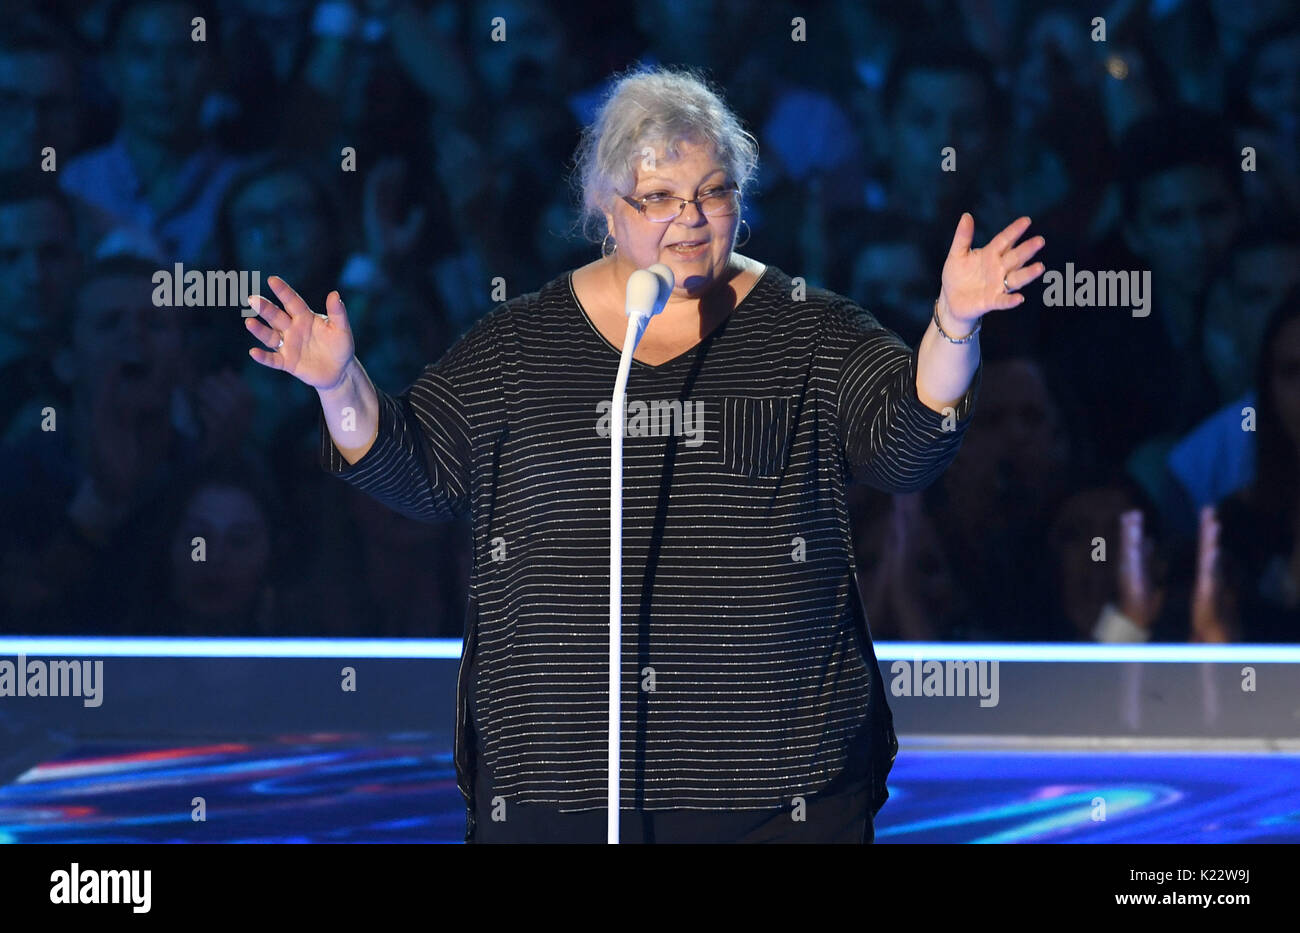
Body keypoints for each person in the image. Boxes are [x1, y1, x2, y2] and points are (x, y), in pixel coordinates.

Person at [244, 66, 1044, 844]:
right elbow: (418, 471)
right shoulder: (521, 344)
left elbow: (908, 447)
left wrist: (954, 325)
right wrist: (337, 380)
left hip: (778, 790)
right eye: (658, 198)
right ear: (605, 211)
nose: (689, 219)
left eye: (712, 192)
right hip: (557, 779)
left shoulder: (811, 331)